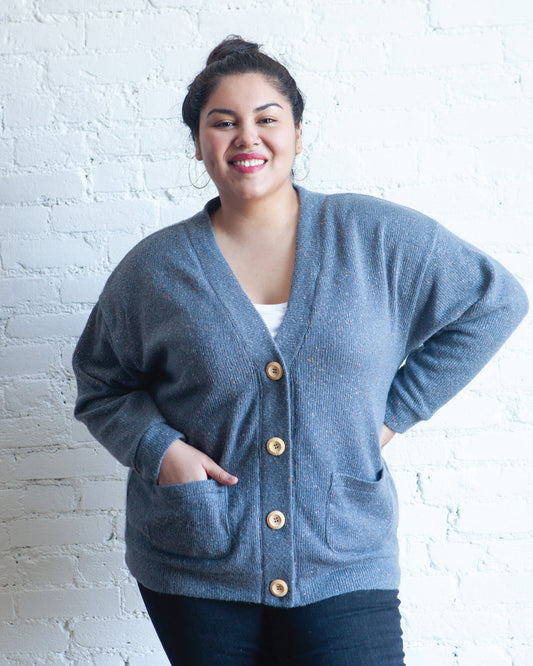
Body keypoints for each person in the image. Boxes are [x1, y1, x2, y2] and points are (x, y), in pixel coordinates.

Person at [72, 36, 528, 666]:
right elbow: (101, 383)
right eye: (223, 122)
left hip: (342, 552)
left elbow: (494, 301)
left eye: (267, 119)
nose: (247, 137)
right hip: (200, 559)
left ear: (298, 134)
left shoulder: (373, 237)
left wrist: (393, 415)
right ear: (198, 142)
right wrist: (162, 451)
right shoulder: (155, 269)